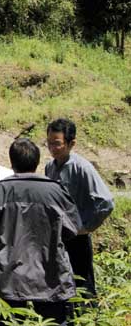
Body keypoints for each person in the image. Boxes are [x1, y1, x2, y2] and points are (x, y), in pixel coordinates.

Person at [0, 138, 81, 325]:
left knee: (10, 322)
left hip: (9, 276)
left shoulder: (0, 190)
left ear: (12, 162)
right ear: (37, 161)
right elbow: (73, 229)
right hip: (50, 275)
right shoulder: (55, 190)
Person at [45, 118, 114, 299]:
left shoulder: (82, 167)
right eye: (49, 143)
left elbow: (105, 202)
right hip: (58, 237)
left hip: (77, 239)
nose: (52, 147)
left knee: (83, 287)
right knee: (60, 285)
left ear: (71, 143)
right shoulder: (49, 167)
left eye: (57, 143)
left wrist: (85, 227)